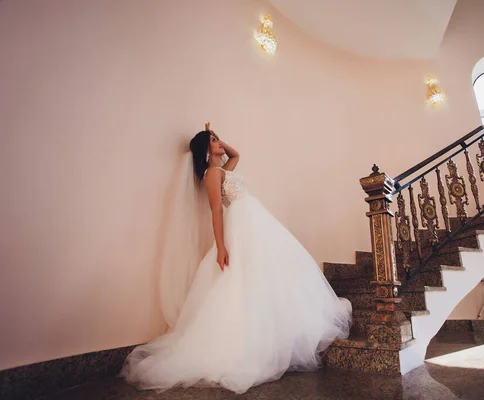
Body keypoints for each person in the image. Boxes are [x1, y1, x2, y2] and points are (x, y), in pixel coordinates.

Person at [119, 123, 352, 394]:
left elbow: (236, 155)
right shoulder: (211, 174)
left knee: (268, 276)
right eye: (214, 141)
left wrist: (217, 138)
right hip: (240, 229)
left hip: (256, 224)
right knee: (241, 281)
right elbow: (216, 210)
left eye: (218, 139)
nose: (220, 143)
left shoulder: (223, 169)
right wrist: (220, 246)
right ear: (205, 151)